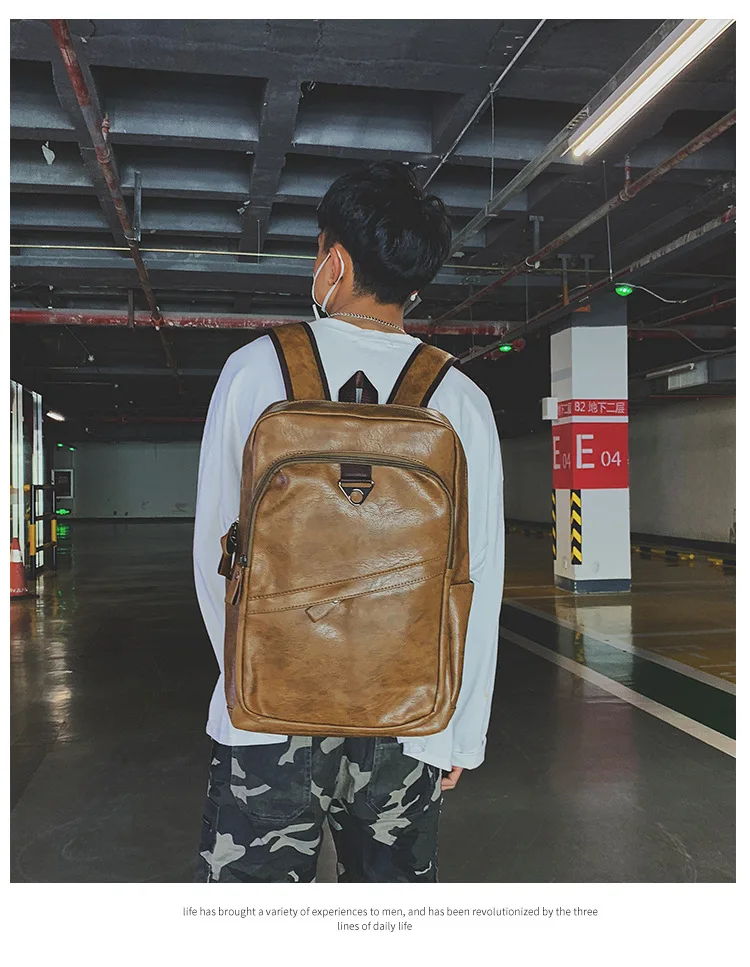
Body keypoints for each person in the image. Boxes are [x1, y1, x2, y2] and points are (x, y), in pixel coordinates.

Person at [193, 161, 504, 883]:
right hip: (410, 719)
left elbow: (216, 550)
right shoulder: (460, 397)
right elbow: (477, 576)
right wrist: (461, 729)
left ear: (334, 262)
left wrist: (247, 683)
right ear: (415, 281)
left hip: (266, 717)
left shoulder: (254, 369)